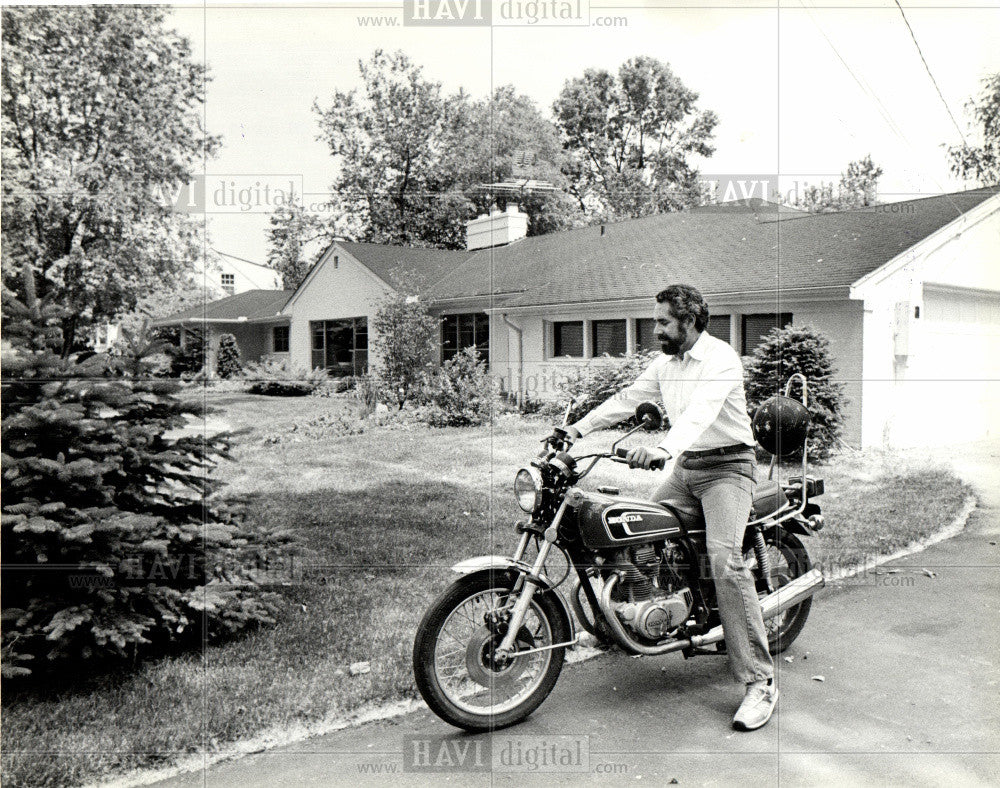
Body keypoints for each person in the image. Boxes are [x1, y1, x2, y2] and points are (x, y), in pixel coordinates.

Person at [558, 284, 777, 731]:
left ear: (690, 320)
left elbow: (700, 413)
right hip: (687, 468)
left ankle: (760, 681)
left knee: (724, 561)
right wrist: (576, 431)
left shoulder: (721, 359)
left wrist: (663, 447)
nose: (654, 329)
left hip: (729, 468)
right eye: (655, 320)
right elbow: (624, 399)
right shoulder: (665, 362)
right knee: (635, 536)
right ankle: (654, 616)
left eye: (662, 322)